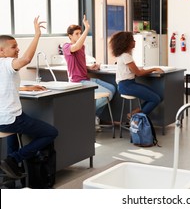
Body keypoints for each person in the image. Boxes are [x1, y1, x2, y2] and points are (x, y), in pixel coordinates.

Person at [0, 17, 58, 179]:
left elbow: (4, 86)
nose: (17, 49)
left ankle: (10, 173)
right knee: (51, 132)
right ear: (1, 51)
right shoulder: (6, 63)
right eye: (14, 47)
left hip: (3, 120)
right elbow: (26, 59)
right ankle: (13, 159)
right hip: (10, 119)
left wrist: (27, 87)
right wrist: (37, 35)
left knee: (13, 137)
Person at [63, 15, 116, 130]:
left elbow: (80, 63)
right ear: (70, 36)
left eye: (80, 33)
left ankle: (93, 116)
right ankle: (86, 115)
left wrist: (90, 67)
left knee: (112, 88)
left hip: (86, 78)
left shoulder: (81, 47)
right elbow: (75, 47)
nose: (79, 35)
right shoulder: (67, 46)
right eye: (77, 34)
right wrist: (87, 29)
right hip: (78, 82)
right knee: (108, 94)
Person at [109, 31, 163, 118]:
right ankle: (137, 119)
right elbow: (139, 73)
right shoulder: (126, 56)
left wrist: (141, 70)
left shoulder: (122, 55)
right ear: (126, 43)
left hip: (128, 84)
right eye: (133, 40)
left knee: (157, 96)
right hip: (126, 85)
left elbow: (134, 71)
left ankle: (134, 114)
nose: (135, 42)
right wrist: (154, 69)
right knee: (155, 99)